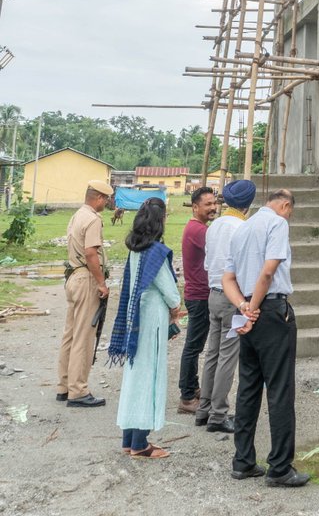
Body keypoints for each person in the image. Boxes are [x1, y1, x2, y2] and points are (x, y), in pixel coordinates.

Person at [222, 188, 309, 488]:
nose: (289, 217)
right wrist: (254, 308)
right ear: (284, 205)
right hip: (270, 310)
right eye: (290, 211)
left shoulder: (242, 228)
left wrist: (243, 307)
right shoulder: (277, 224)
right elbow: (269, 271)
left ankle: (243, 461)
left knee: (248, 386)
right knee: (280, 389)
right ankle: (280, 467)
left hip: (248, 309)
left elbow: (227, 278)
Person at [109, 197, 181, 459]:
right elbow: (171, 293)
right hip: (151, 319)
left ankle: (129, 440)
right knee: (148, 375)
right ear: (159, 221)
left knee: (135, 375)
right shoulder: (156, 252)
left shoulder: (135, 248)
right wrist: (176, 308)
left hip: (134, 316)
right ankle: (140, 444)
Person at [195, 178, 257, 433]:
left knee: (212, 353)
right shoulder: (243, 228)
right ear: (249, 204)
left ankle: (203, 409)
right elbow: (245, 268)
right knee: (228, 358)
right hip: (234, 296)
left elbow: (209, 263)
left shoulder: (215, 225)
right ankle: (218, 415)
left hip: (214, 294)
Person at [56, 179, 113, 407]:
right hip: (86, 278)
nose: (107, 203)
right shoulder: (92, 219)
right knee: (83, 336)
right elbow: (91, 253)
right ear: (99, 197)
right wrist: (101, 283)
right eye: (106, 199)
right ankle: (78, 391)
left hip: (73, 276)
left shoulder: (77, 215)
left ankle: (64, 385)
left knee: (70, 334)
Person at [177, 184, 217, 413]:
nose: (213, 207)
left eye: (214, 203)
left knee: (195, 346)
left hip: (199, 293)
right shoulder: (199, 231)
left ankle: (192, 388)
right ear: (194, 207)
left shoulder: (199, 227)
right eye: (208, 204)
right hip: (200, 295)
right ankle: (187, 397)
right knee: (193, 347)